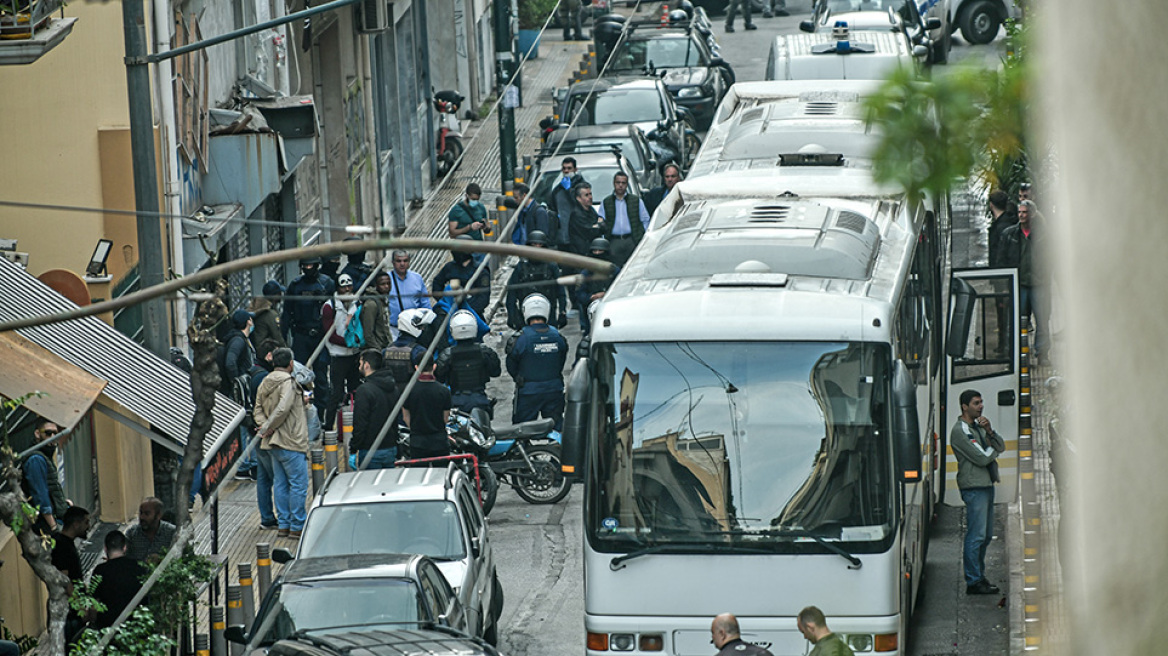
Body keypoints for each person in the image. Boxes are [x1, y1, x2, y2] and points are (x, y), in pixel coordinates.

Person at [950, 389, 1007, 595]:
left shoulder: (979, 427)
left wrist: (990, 432)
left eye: (981, 402)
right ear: (965, 406)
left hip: (986, 484)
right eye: (976, 403)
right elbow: (983, 458)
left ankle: (979, 577)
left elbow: (1001, 445)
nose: (981, 406)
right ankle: (973, 580)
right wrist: (994, 450)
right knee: (976, 535)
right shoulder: (961, 430)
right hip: (974, 486)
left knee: (985, 535)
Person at [254, 348, 310, 539]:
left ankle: (283, 524)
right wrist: (269, 426)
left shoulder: (265, 381)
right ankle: (297, 525)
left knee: (280, 483)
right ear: (291, 364)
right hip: (291, 440)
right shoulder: (288, 383)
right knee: (298, 484)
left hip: (271, 443)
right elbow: (283, 409)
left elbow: (258, 408)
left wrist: (264, 426)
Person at [506, 294, 569, 431]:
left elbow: (511, 364)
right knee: (557, 428)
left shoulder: (520, 338)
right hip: (554, 389)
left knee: (520, 431)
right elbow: (561, 359)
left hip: (528, 392)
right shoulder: (558, 336)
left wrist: (520, 378)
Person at [283, 256, 335, 419]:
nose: (308, 268)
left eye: (310, 265)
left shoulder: (327, 284)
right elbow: (286, 313)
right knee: (299, 374)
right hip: (301, 335)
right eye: (305, 265)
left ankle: (321, 413)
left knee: (320, 375)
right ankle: (301, 408)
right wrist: (282, 338)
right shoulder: (295, 285)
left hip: (320, 336)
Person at [998, 199, 1049, 363]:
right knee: (1019, 322)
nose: (1021, 215)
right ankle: (1021, 355)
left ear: (1033, 214)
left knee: (1042, 320)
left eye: (1025, 212)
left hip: (1039, 283)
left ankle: (1042, 354)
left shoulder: (1044, 236)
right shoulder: (1010, 234)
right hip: (1019, 284)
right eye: (1020, 212)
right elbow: (1002, 260)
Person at [436, 310, 502, 416]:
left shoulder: (447, 355)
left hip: (456, 401)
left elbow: (439, 378)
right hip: (480, 399)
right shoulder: (485, 351)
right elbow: (496, 372)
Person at [320, 273, 361, 431]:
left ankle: (355, 425)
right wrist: (349, 342)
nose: (347, 289)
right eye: (343, 286)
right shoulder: (329, 307)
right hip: (337, 355)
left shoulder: (356, 304)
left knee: (355, 391)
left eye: (349, 286)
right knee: (336, 393)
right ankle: (329, 427)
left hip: (354, 354)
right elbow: (330, 335)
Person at [506, 230, 568, 330]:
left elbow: (560, 290)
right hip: (526, 312)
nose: (537, 247)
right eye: (534, 244)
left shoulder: (551, 266)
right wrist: (511, 315)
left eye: (540, 244)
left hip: (549, 311)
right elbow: (512, 292)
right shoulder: (521, 266)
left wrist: (562, 312)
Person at [351, 349, 400, 469]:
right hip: (390, 447)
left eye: (360, 363)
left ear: (366, 365)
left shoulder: (364, 390)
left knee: (369, 486)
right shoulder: (393, 387)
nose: (359, 366)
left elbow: (360, 423)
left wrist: (353, 448)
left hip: (370, 450)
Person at [252, 339, 282, 530]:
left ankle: (266, 517)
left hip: (254, 431)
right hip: (266, 432)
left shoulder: (252, 372)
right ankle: (284, 518)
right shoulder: (265, 378)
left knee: (263, 478)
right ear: (269, 356)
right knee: (279, 477)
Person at [90, 530, 147, 629]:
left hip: (107, 627)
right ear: (125, 548)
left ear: (105, 549)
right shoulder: (139, 567)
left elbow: (94, 605)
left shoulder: (100, 570)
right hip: (135, 625)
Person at [21, 417, 68, 534]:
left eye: (55, 434)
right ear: (37, 433)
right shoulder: (36, 459)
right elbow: (40, 495)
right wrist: (53, 526)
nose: (52, 437)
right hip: (42, 524)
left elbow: (51, 487)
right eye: (48, 433)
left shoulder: (44, 456)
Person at [402, 352, 453, 461]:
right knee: (440, 474)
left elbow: (405, 417)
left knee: (419, 475)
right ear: (434, 367)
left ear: (416, 368)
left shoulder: (409, 391)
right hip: (439, 441)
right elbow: (446, 417)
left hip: (417, 441)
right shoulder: (443, 391)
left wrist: (416, 428)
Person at [597, 171, 651, 267]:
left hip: (631, 239)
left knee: (634, 266)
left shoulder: (636, 201)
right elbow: (601, 222)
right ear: (614, 183)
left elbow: (645, 220)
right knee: (615, 268)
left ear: (627, 184)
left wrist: (642, 236)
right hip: (614, 241)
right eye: (618, 183)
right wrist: (604, 239)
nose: (620, 185)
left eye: (623, 183)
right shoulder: (606, 202)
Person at [433, 241, 491, 317]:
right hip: (451, 311)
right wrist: (446, 302)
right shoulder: (450, 267)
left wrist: (468, 310)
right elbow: (437, 283)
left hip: (473, 313)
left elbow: (484, 297)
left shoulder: (480, 271)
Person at [386, 250, 432, 340]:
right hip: (393, 329)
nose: (402, 264)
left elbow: (425, 303)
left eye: (405, 261)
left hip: (415, 329)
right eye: (399, 261)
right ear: (393, 263)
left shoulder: (417, 278)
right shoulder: (386, 280)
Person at [575, 237, 618, 333]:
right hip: (590, 312)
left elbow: (622, 289)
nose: (598, 253)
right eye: (595, 251)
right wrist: (591, 297)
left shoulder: (614, 271)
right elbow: (579, 294)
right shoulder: (585, 273)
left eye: (600, 251)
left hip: (611, 308)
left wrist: (606, 294)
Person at [386, 308, 438, 385]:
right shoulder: (418, 351)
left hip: (391, 394)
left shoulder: (386, 350)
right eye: (420, 327)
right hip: (412, 393)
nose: (422, 329)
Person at [125, 497, 177, 563]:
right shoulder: (132, 534)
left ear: (158, 515)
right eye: (141, 513)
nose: (142, 517)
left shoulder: (171, 532)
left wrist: (161, 560)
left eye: (147, 514)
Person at [551, 158, 584, 250]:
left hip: (578, 235)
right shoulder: (558, 190)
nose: (566, 171)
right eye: (564, 168)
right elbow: (553, 209)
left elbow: (581, 203)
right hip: (563, 236)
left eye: (569, 168)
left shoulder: (582, 186)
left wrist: (569, 190)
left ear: (575, 170)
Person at [361, 271, 394, 352]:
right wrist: (378, 350)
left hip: (385, 346)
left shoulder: (383, 300)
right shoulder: (371, 304)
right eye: (383, 284)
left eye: (388, 283)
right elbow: (368, 334)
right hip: (375, 350)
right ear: (376, 285)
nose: (386, 286)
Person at [568, 181, 604, 256]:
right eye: (586, 195)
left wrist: (598, 225)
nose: (590, 197)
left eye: (590, 194)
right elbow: (589, 232)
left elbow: (603, 227)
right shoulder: (576, 214)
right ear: (579, 198)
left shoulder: (591, 210)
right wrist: (598, 225)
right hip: (581, 254)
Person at [512, 183, 554, 247]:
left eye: (516, 197)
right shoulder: (523, 211)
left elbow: (542, 238)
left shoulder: (539, 212)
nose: (514, 200)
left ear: (524, 196)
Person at [250, 280, 287, 350]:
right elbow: (277, 336)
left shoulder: (259, 308)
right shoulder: (270, 314)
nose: (281, 295)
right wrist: (286, 350)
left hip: (256, 348)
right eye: (279, 293)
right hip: (265, 351)